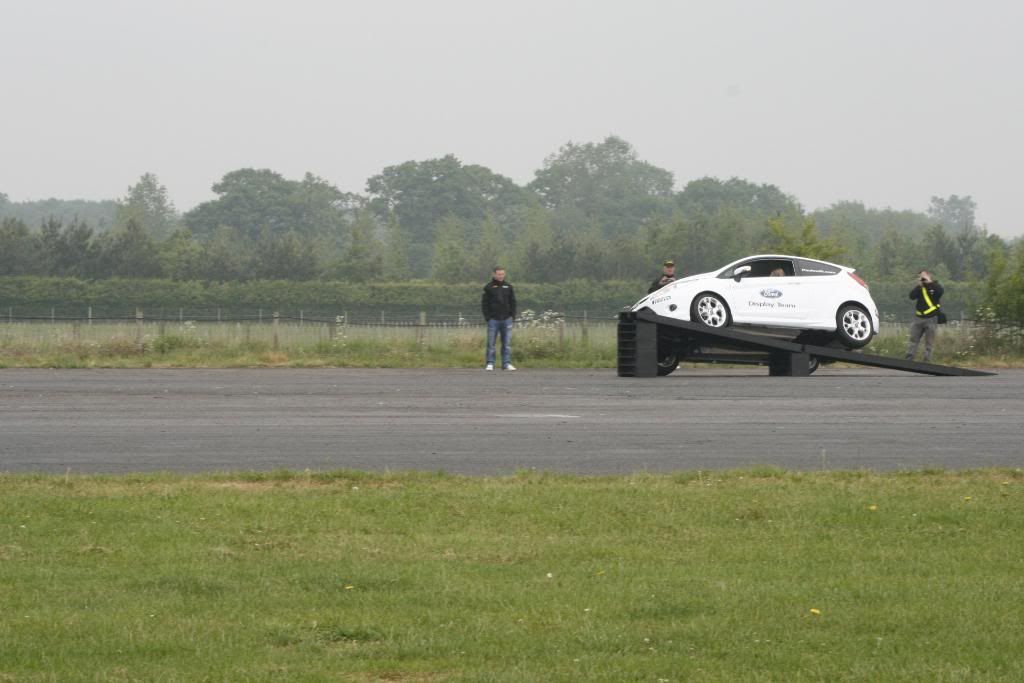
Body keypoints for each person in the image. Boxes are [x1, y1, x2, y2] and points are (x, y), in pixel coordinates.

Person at [481, 266, 517, 371]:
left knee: (507, 343)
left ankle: (506, 363)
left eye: (502, 274)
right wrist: (488, 317)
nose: (501, 276)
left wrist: (512, 316)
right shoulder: (488, 287)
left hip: (507, 319)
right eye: (499, 274)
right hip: (493, 320)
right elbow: (484, 304)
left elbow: (513, 302)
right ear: (494, 274)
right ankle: (490, 363)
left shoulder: (509, 287)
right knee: (491, 343)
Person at [905, 269, 944, 362]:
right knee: (913, 340)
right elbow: (911, 296)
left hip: (931, 318)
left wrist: (929, 283)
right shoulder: (920, 288)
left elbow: (940, 292)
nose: (921, 278)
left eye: (923, 276)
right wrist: (919, 286)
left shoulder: (935, 286)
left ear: (929, 276)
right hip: (918, 318)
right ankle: (909, 358)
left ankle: (927, 360)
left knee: (929, 342)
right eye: (920, 277)